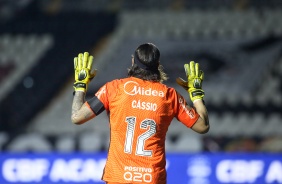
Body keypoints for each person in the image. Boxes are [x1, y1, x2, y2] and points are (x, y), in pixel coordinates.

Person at [71, 43, 209, 184]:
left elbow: (77, 117)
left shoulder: (114, 88)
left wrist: (80, 85)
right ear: (158, 64)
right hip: (152, 178)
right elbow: (202, 126)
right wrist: (196, 94)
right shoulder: (169, 95)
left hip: (119, 177)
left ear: (133, 62)